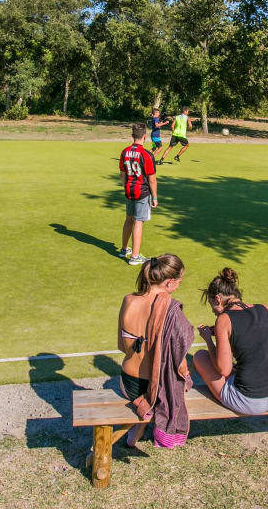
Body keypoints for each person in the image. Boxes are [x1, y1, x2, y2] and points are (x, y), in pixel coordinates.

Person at [192, 268, 268, 416]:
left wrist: (209, 339)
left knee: (200, 356)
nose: (213, 310)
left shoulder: (223, 319)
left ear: (218, 299)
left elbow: (224, 370)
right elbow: (253, 336)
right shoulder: (264, 308)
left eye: (212, 304)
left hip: (249, 401)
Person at [117, 254, 193, 447]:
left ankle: (134, 434)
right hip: (153, 387)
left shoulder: (128, 300)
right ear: (169, 282)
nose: (178, 286)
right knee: (177, 381)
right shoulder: (171, 310)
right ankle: (136, 432)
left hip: (127, 383)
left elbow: (122, 346)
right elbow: (180, 361)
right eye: (178, 282)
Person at [119, 123, 158, 265]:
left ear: (132, 136)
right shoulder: (147, 154)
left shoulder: (124, 152)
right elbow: (152, 179)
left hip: (128, 190)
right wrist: (154, 197)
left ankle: (124, 249)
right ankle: (135, 257)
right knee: (138, 222)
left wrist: (126, 187)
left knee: (129, 218)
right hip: (142, 192)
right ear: (145, 136)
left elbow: (122, 175)